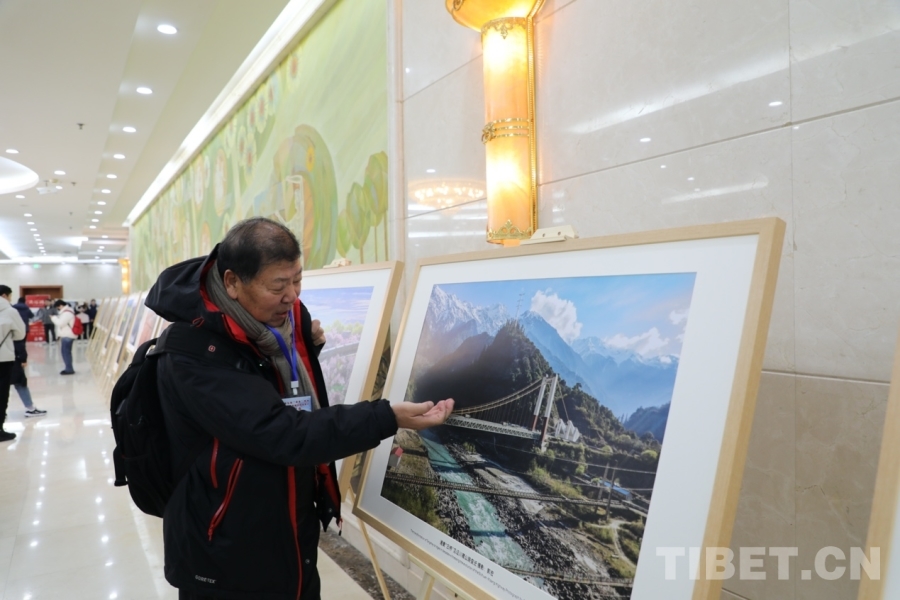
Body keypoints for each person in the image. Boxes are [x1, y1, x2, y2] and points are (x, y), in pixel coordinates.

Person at [145, 217, 454, 600]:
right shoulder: (193, 353)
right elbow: (280, 431)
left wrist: (309, 351)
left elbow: (270, 392)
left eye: (298, 280)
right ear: (232, 282)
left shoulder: (277, 323)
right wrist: (385, 416)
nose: (292, 296)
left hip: (288, 531)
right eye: (278, 286)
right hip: (223, 552)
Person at [5, 295, 46, 417]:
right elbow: (18, 340)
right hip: (11, 354)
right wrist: (23, 357)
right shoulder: (12, 312)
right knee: (20, 382)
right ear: (5, 296)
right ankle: (30, 408)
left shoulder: (11, 309)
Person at [0, 285, 27, 442]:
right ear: (5, 296)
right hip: (3, 357)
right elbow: (20, 334)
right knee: (2, 393)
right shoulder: (10, 311)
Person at [50, 300, 77, 375]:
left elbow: (60, 323)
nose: (58, 309)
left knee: (66, 352)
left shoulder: (66, 313)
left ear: (61, 305)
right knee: (66, 352)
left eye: (58, 308)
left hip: (67, 335)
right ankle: (69, 368)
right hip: (67, 334)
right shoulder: (67, 312)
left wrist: (53, 318)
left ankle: (69, 369)